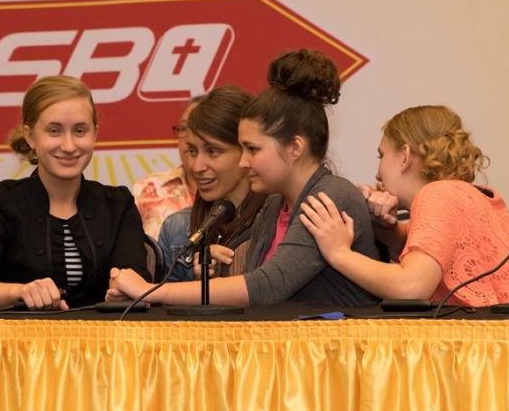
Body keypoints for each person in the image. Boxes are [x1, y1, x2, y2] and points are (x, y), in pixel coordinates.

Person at [107, 49, 381, 307]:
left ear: (295, 147)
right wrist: (210, 278)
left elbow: (268, 286)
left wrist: (152, 290)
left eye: (252, 149)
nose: (243, 161)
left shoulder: (330, 196)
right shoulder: (274, 205)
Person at [298, 104, 509, 306]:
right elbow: (442, 252)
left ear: (405, 156)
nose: (377, 173)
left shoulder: (436, 195)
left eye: (381, 156)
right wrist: (388, 230)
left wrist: (339, 253)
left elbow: (412, 287)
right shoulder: (468, 193)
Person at [0, 75, 148, 310]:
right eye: (54, 131)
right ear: (30, 136)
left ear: (95, 133)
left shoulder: (118, 204)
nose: (69, 146)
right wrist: (19, 292)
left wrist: (124, 290)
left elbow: (138, 281)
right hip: (20, 334)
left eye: (80, 131)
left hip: (103, 334)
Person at [157, 85, 268, 281]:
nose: (197, 166)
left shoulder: (278, 221)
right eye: (193, 151)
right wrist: (197, 282)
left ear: (246, 150)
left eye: (213, 151)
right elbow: (161, 300)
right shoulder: (176, 228)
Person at [132, 96, 202, 238]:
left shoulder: (239, 194)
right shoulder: (149, 189)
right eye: (184, 128)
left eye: (198, 128)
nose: (189, 138)